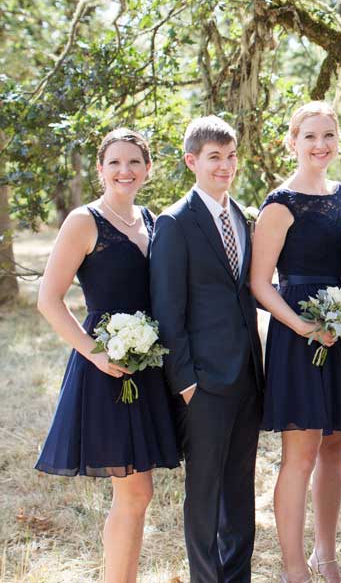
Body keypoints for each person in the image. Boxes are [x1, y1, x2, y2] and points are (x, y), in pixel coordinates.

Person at [35, 129, 179, 583]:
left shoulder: (153, 219)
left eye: (134, 162)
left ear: (148, 169)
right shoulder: (84, 221)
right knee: (135, 492)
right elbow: (49, 299)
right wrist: (94, 353)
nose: (125, 171)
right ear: (100, 169)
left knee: (139, 493)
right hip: (108, 367)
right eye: (114, 162)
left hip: (149, 365)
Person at [250, 102, 341, 583]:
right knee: (300, 454)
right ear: (292, 142)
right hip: (297, 333)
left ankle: (326, 555)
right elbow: (259, 282)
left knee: (336, 444)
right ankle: (294, 569)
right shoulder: (280, 203)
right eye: (311, 136)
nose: (321, 145)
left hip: (338, 329)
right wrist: (301, 326)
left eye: (330, 135)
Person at [149, 116, 264, 583]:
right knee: (204, 492)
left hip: (248, 379)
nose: (225, 166)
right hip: (204, 382)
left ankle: (237, 577)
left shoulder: (240, 215)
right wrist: (186, 382)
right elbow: (167, 309)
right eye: (215, 157)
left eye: (231, 156)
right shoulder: (175, 222)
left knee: (240, 489)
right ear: (191, 161)